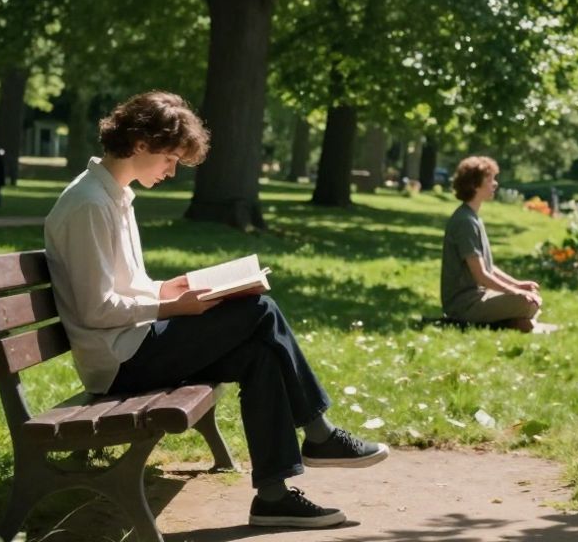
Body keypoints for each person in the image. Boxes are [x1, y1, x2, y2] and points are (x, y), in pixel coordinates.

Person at [43, 91, 386, 530]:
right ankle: (319, 435)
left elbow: (122, 287)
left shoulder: (114, 196)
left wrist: (171, 287)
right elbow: (95, 308)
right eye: (170, 159)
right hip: (119, 361)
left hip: (133, 342)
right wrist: (172, 304)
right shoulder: (90, 204)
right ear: (141, 143)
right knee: (259, 308)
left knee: (260, 356)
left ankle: (274, 497)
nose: (171, 171)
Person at [440, 156, 542, 331]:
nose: (495, 184)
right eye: (490, 180)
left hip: (480, 296)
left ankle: (508, 322)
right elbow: (481, 276)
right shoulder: (465, 222)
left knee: (532, 297)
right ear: (474, 185)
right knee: (528, 303)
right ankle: (506, 322)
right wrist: (515, 292)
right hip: (464, 305)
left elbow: (488, 267)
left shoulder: (473, 218)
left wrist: (518, 285)